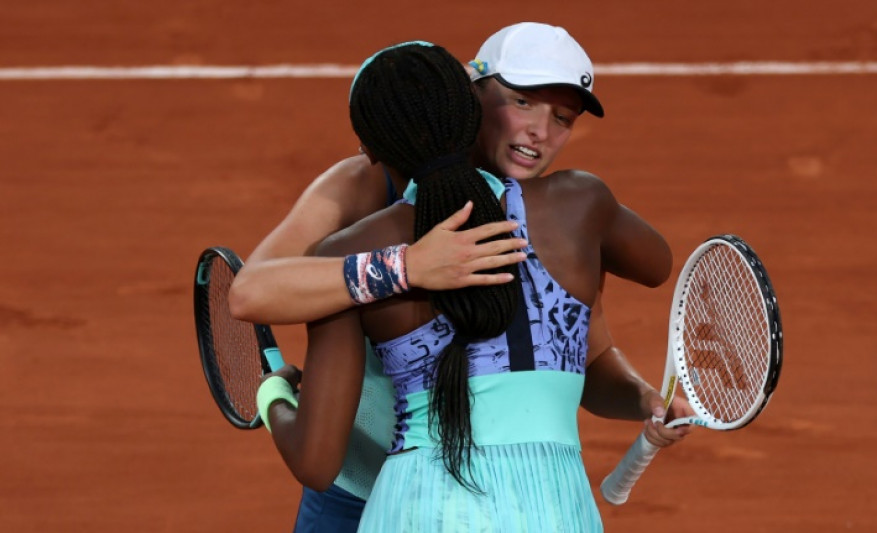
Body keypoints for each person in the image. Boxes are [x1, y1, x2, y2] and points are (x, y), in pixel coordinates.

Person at [231, 23, 692, 532]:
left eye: (562, 118)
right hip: (361, 481)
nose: (539, 131)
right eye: (521, 102)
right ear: (471, 96)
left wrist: (644, 397)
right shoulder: (366, 186)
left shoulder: (565, 214)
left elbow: (589, 359)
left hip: (403, 496)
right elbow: (250, 292)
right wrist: (406, 268)